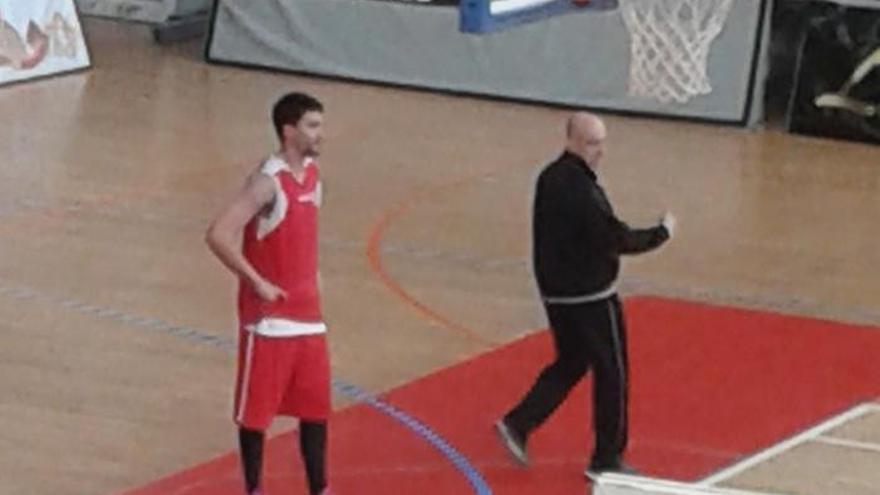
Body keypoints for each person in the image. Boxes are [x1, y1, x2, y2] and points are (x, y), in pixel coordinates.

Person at [495, 112, 675, 479]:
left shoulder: (550, 178)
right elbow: (615, 237)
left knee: (572, 361)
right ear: (572, 141)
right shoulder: (580, 190)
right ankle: (606, 458)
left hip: (556, 294)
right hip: (590, 297)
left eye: (602, 142)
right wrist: (661, 233)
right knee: (612, 372)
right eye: (593, 143)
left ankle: (519, 421)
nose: (600, 151)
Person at [206, 92, 334, 495]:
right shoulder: (267, 183)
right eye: (313, 126)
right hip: (270, 321)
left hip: (309, 314)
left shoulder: (312, 175)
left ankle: (320, 488)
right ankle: (254, 488)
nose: (321, 134)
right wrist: (256, 281)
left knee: (316, 409)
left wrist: (313, 274)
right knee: (257, 416)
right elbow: (218, 234)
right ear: (289, 130)